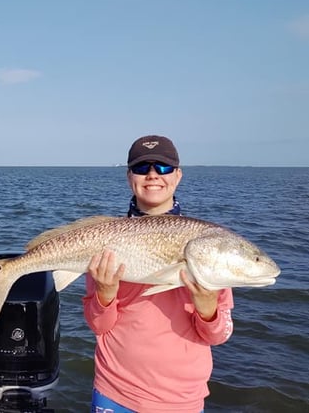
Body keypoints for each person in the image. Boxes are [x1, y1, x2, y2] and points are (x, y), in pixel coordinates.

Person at [83, 135, 234, 413]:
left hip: (181, 400)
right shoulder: (106, 240)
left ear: (177, 176)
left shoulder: (207, 245)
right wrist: (105, 295)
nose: (153, 175)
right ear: (130, 176)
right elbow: (99, 326)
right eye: (142, 168)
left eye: (163, 167)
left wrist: (208, 307)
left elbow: (219, 335)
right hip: (114, 392)